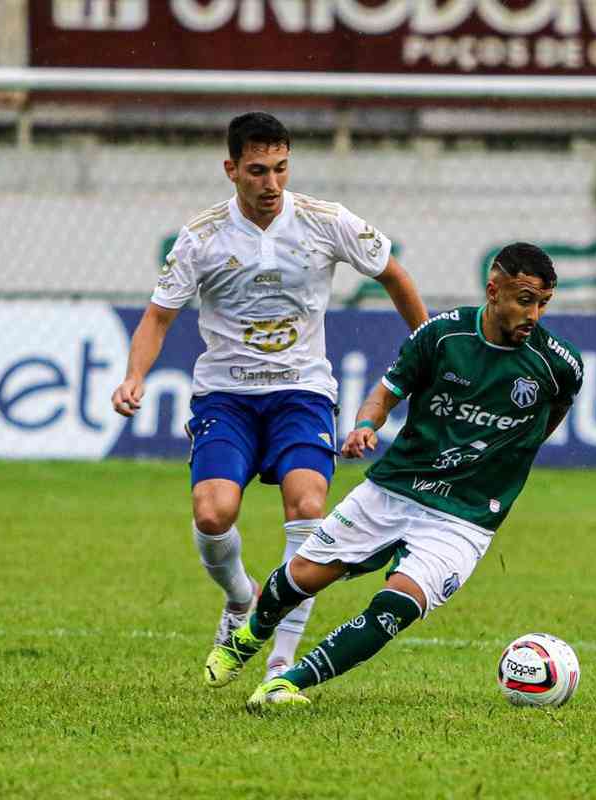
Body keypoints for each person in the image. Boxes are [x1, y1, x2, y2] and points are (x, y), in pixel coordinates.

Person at [110, 112, 429, 680]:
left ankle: (280, 657)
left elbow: (396, 277)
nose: (271, 184)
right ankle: (240, 598)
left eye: (281, 169)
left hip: (302, 393)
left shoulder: (325, 221)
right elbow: (158, 318)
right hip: (225, 397)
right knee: (213, 514)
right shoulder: (202, 236)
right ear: (231, 170)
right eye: (257, 171)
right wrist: (134, 376)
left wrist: (429, 348)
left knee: (308, 506)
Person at [202, 242, 582, 711]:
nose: (535, 314)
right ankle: (250, 635)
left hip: (465, 517)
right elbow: (383, 396)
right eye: (525, 299)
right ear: (493, 289)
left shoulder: (560, 366)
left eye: (543, 303)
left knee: (397, 606)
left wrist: (509, 457)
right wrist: (364, 426)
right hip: (395, 487)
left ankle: (288, 683)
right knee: (300, 577)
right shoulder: (441, 337)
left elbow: (551, 417)